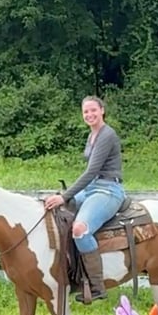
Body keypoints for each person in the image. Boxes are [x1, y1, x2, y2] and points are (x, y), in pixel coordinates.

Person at [44, 96, 126, 303]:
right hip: (92, 188)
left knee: (80, 229)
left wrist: (64, 196)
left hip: (108, 190)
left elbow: (91, 171)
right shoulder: (92, 135)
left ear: (102, 111)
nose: (89, 115)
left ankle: (97, 286)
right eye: (85, 112)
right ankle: (68, 272)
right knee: (57, 213)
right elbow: (90, 176)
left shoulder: (107, 135)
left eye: (93, 111)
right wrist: (63, 199)